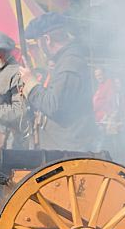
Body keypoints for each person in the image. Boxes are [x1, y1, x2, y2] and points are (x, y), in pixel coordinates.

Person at [19, 13, 96, 151]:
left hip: (68, 151)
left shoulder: (70, 63)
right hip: (61, 149)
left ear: (46, 40)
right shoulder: (64, 61)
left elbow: (53, 105)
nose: (38, 48)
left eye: (37, 42)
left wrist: (31, 84)